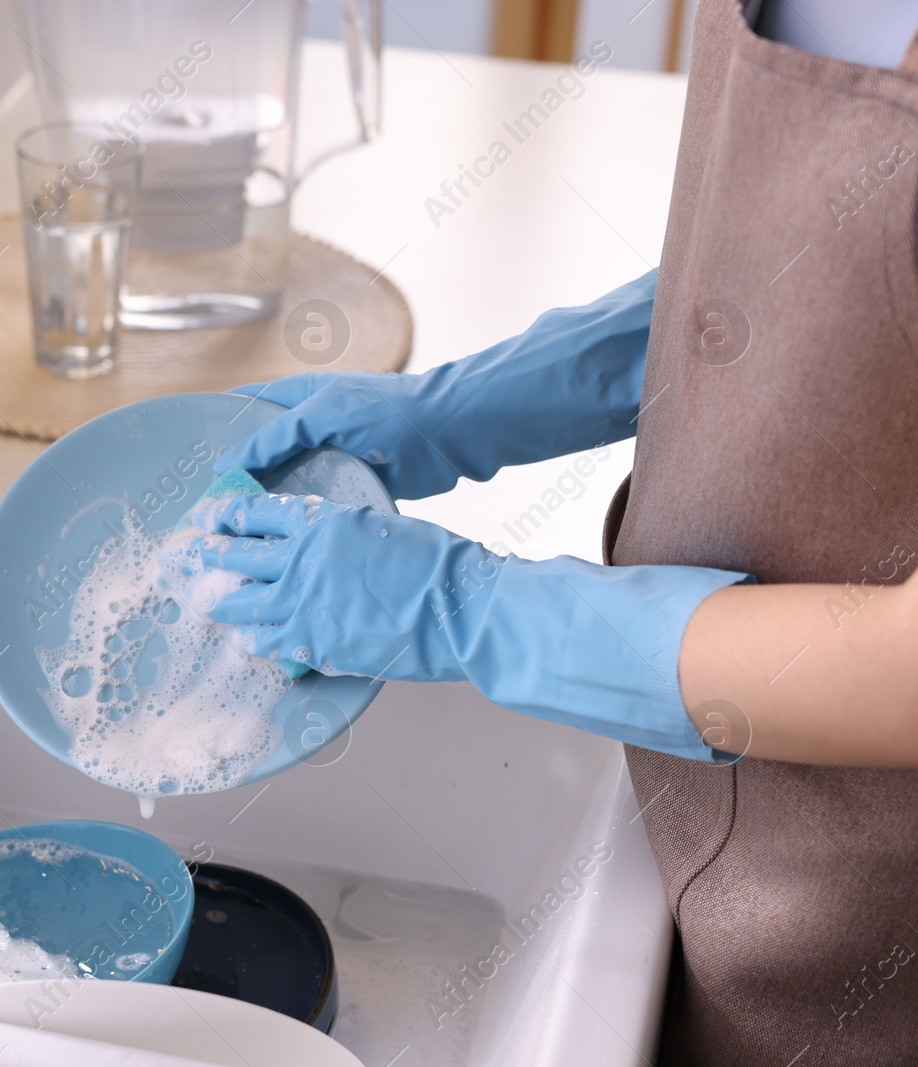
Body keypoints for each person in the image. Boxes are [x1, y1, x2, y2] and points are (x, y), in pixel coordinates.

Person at [188, 1, 918, 1062]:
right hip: (698, 824)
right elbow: (851, 265)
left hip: (864, 930)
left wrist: (470, 609)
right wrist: (470, 404)